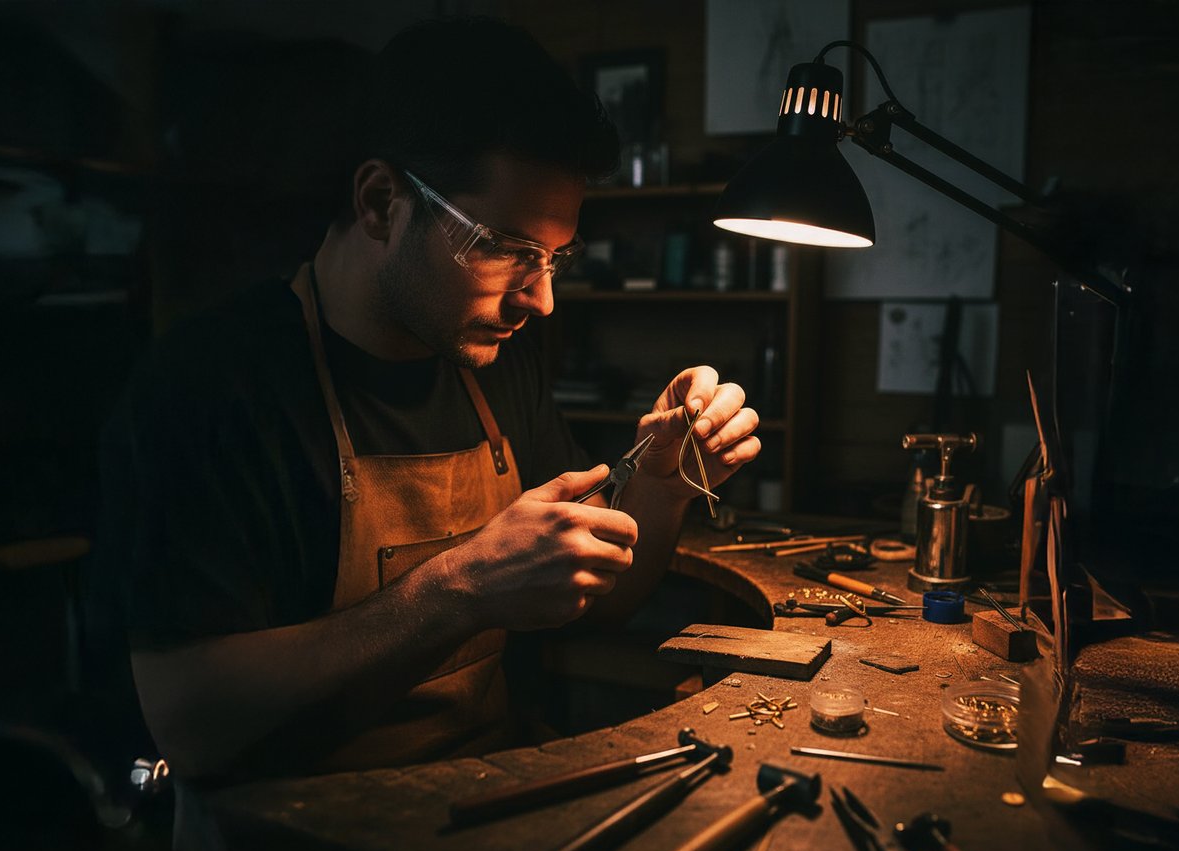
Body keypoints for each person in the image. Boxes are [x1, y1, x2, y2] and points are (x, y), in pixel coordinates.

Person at [94, 17, 762, 791]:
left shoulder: (493, 357)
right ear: (381, 202)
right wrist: (459, 588)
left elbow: (594, 605)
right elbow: (191, 720)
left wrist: (663, 484)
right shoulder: (211, 387)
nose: (541, 297)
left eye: (555, 257)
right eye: (510, 248)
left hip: (481, 797)